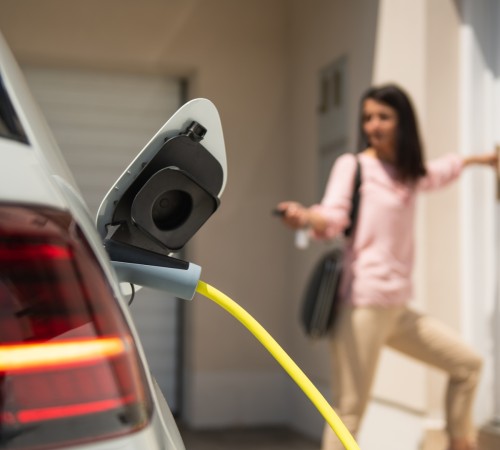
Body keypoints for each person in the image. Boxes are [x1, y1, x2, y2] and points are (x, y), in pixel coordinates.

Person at [276, 84, 497, 450]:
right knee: (349, 411)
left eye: (383, 117)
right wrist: (305, 217)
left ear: (402, 122)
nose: (373, 125)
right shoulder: (355, 165)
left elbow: (442, 169)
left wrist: (482, 160)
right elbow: (332, 215)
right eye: (367, 118)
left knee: (467, 366)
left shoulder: (408, 174)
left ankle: (461, 443)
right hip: (361, 305)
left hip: (397, 308)